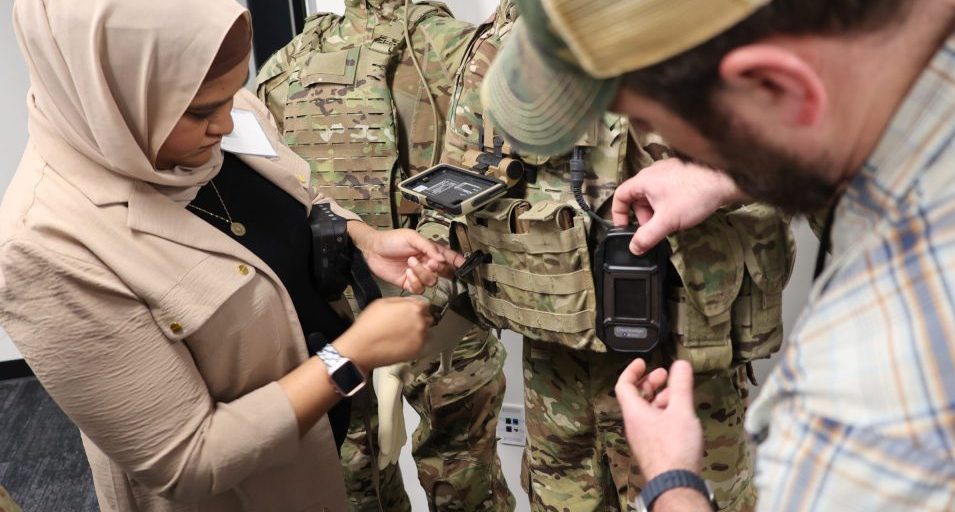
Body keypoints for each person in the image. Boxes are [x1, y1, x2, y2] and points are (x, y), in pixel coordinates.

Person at [484, 0, 955, 509]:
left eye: (651, 122)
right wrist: (724, 175)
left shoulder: (865, 413)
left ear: (773, 85)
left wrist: (673, 480)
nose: (649, 136)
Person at [0, 1, 462, 511]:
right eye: (200, 111)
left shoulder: (207, 100)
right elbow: (189, 461)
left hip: (318, 455)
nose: (226, 120)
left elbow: (292, 193)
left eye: (233, 91)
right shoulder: (45, 248)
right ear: (112, 93)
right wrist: (348, 359)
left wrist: (360, 237)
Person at [424, 1, 793, 510]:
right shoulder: (512, 39)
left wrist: (719, 179)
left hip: (686, 373)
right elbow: (460, 183)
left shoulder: (719, 19)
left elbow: (838, 161)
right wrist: (430, 282)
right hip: (557, 374)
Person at [255, 2, 513, 509]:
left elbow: (278, 189)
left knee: (356, 469)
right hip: (440, 299)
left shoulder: (288, 60)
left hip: (334, 313)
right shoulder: (464, 47)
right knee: (462, 469)